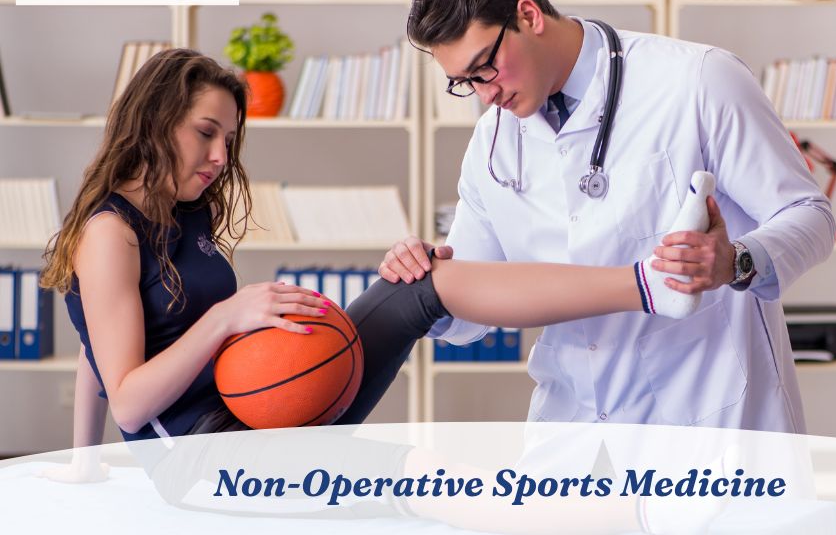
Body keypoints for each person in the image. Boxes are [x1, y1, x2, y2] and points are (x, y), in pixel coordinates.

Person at [39, 48, 703, 457]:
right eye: (205, 133)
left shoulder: (184, 214)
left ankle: (647, 285)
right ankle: (647, 286)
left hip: (259, 415)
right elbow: (126, 398)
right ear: (154, 121)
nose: (220, 157)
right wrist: (228, 316)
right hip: (206, 454)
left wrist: (80, 464)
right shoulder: (109, 233)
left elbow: (97, 356)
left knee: (425, 277)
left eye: (230, 140)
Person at [382, 0, 836, 432]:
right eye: (465, 82)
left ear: (529, 15)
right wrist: (426, 281)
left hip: (710, 418)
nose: (485, 95)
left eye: (485, 67)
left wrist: (738, 260)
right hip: (572, 427)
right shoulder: (492, 142)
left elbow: (811, 214)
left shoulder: (697, 79)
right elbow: (471, 313)